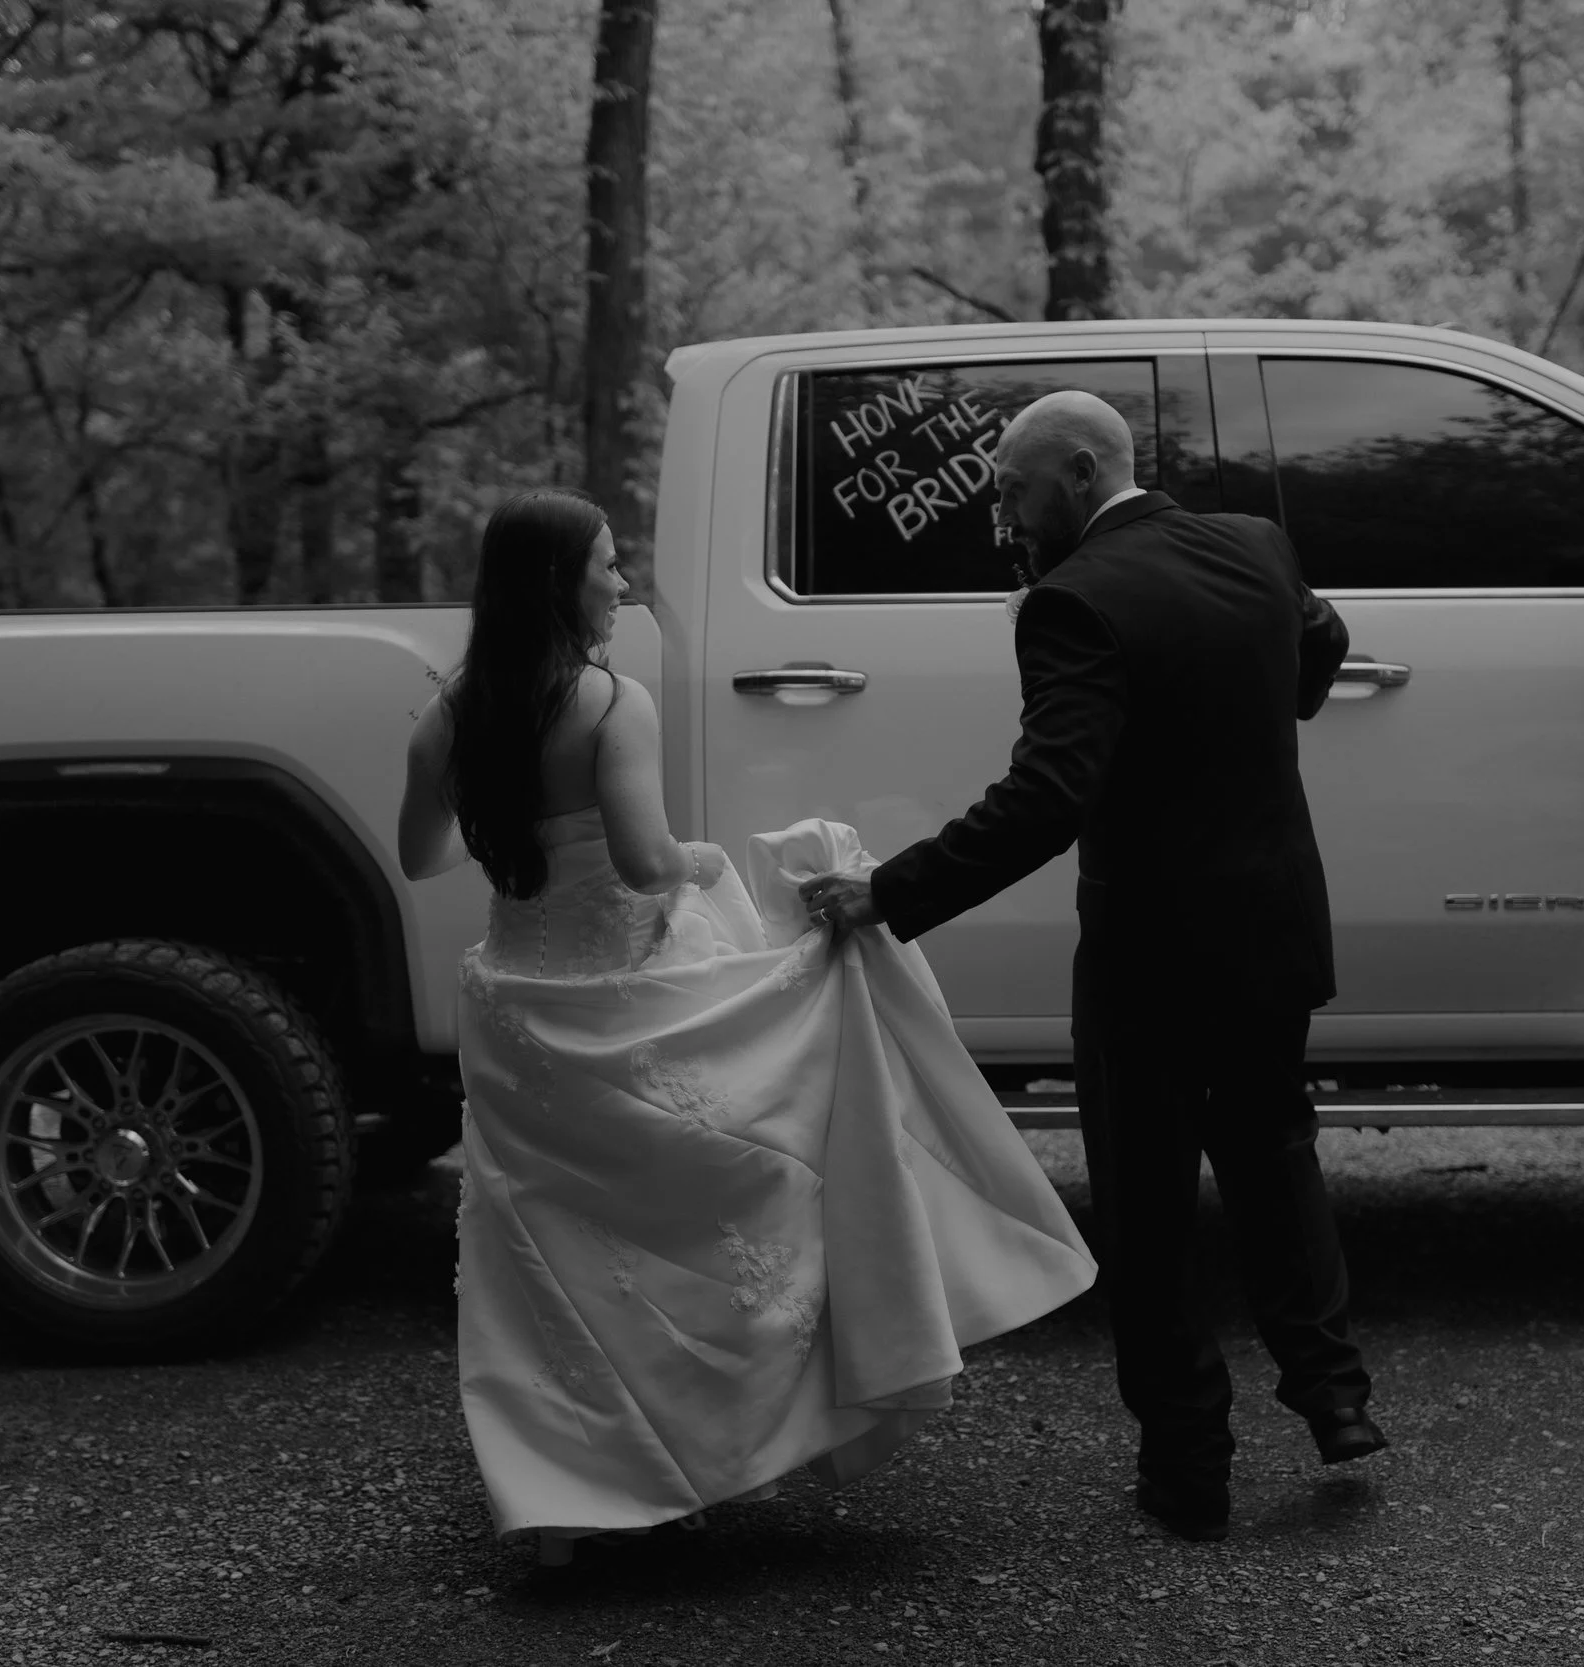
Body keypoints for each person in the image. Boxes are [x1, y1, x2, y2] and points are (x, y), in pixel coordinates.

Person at [398, 487, 1096, 1566]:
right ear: (559, 581)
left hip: (521, 1003)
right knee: (756, 1171)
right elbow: (643, 861)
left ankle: (565, 1484)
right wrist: (705, 862)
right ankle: (711, 1438)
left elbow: (420, 853)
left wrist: (517, 832)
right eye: (608, 562)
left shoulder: (446, 712)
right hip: (624, 987)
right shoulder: (603, 699)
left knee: (547, 1247)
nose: (622, 580)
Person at [800, 391, 1385, 1544]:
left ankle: (1188, 1468)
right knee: (1274, 1151)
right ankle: (1336, 1398)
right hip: (1272, 923)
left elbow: (1045, 799)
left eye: (1014, 491)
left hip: (1151, 951)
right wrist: (1268, 705)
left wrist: (889, 893)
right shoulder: (1254, 546)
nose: (1004, 517)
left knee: (1150, 1200)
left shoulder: (1072, 601)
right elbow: (1320, 643)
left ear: (1076, 472)